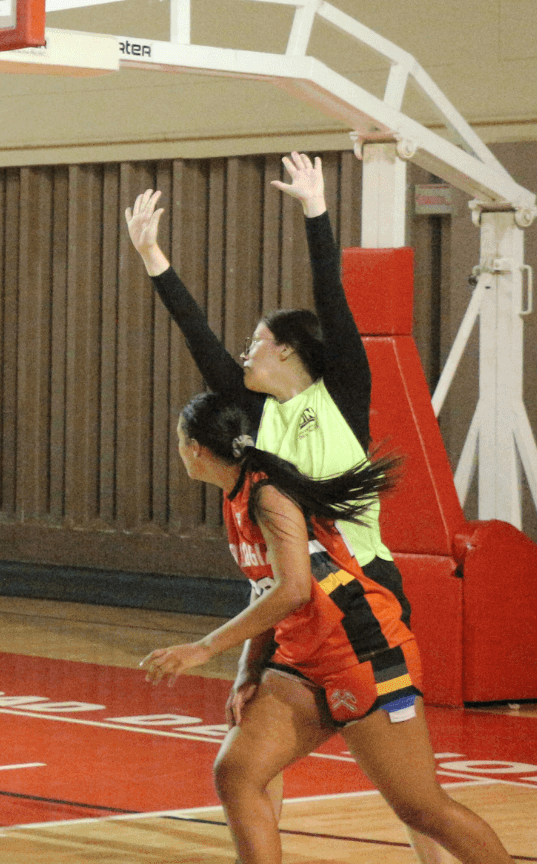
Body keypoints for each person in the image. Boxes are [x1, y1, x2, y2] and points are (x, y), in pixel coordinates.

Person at [125, 152, 443, 858]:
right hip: (293, 604)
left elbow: (331, 295)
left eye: (258, 344)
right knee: (246, 759)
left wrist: (315, 212)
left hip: (363, 597)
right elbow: (197, 336)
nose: (244, 353)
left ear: (291, 351)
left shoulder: (341, 396)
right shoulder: (256, 422)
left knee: (417, 803)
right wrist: (153, 259)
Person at [142, 393, 512, 864]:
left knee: (422, 808)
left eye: (177, 441)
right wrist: (249, 671)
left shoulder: (268, 494)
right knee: (237, 772)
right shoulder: (235, 495)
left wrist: (205, 647)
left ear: (194, 447)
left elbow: (294, 589)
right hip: (305, 659)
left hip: (364, 653)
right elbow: (267, 589)